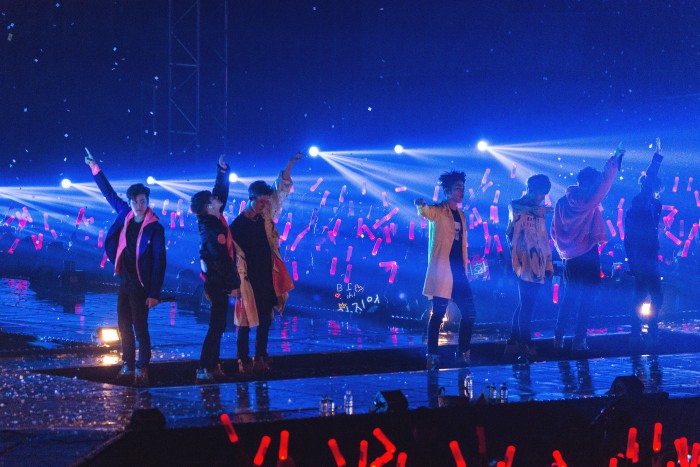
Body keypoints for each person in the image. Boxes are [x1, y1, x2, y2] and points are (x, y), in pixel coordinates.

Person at [84, 152, 166, 386]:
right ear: (130, 202)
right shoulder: (126, 215)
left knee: (140, 327)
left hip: (142, 284)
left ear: (148, 202)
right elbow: (109, 193)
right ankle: (128, 364)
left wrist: (154, 293)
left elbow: (160, 261)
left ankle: (143, 367)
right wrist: (95, 168)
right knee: (123, 326)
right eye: (136, 202)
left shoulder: (155, 228)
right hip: (125, 280)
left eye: (143, 201)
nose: (140, 206)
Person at [229, 153, 301, 373]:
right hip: (247, 279)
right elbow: (231, 257)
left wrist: (289, 165)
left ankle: (260, 356)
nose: (264, 205)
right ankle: (243, 360)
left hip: (267, 275)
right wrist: (234, 284)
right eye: (261, 201)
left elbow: (280, 191)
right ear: (251, 198)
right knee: (244, 322)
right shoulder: (237, 226)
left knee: (265, 320)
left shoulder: (265, 217)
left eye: (266, 202)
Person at [550, 146, 623, 351]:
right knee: (587, 299)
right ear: (590, 183)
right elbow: (605, 182)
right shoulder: (589, 200)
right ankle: (579, 340)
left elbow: (554, 230)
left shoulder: (561, 202)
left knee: (569, 297)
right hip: (588, 254)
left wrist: (564, 249)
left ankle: (558, 338)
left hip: (569, 257)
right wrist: (615, 159)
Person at [414, 170, 476, 371]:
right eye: (458, 188)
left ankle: (463, 352)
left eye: (463, 188)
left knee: (469, 313)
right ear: (447, 191)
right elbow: (427, 213)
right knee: (438, 314)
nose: (461, 192)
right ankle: (432, 355)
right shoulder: (439, 211)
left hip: (458, 272)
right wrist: (421, 206)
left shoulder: (461, 215)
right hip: (442, 271)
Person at [190, 155, 241, 384]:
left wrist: (222, 172)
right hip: (217, 282)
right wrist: (233, 285)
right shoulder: (212, 229)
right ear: (208, 207)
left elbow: (220, 193)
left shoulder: (213, 219)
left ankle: (212, 365)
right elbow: (220, 260)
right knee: (216, 326)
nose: (217, 199)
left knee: (218, 325)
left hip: (217, 281)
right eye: (213, 199)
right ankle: (204, 367)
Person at [505, 174, 553, 362]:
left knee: (525, 304)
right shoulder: (515, 205)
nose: (542, 198)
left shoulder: (539, 211)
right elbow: (511, 229)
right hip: (522, 261)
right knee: (526, 305)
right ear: (531, 189)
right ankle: (525, 345)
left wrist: (548, 264)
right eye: (541, 193)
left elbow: (543, 237)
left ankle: (513, 341)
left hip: (538, 261)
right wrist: (538, 210)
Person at [624, 138, 664, 347]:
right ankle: (651, 333)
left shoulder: (649, 206)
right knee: (656, 296)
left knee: (640, 296)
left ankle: (637, 333)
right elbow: (648, 182)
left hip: (643, 257)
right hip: (644, 257)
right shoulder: (641, 202)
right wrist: (656, 158)